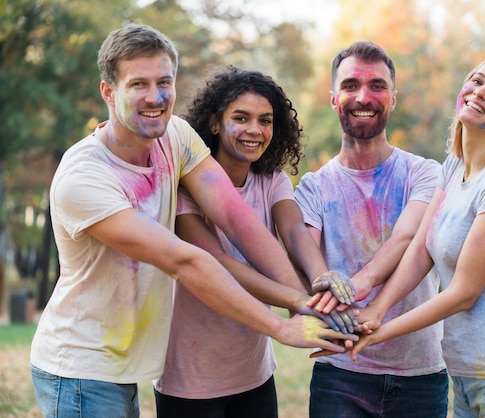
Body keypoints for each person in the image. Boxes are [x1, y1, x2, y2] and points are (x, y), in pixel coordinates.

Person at [29, 24, 356, 418]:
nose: (155, 97)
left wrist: (305, 302)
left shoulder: (176, 137)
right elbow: (187, 261)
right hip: (79, 367)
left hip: (121, 362)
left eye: (164, 81)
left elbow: (238, 219)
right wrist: (283, 324)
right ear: (108, 92)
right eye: (138, 84)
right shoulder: (83, 179)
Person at [350, 56, 485, 417]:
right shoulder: (453, 166)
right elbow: (421, 249)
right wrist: (377, 307)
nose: (479, 92)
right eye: (476, 81)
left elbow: (463, 294)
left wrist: (379, 332)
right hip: (470, 381)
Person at [154, 65, 357, 417]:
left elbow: (293, 232)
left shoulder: (271, 179)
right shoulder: (184, 188)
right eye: (241, 118)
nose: (255, 130)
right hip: (190, 378)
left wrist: (321, 280)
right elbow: (218, 262)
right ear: (214, 123)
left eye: (265, 120)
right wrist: (299, 300)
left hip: (254, 374)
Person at [294, 41, 449, 417]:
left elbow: (408, 237)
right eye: (350, 86)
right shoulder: (313, 188)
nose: (363, 96)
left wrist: (355, 286)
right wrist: (307, 309)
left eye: (377, 86)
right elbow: (306, 269)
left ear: (393, 98)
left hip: (421, 376)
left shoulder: (424, 173)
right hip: (340, 375)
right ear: (334, 99)